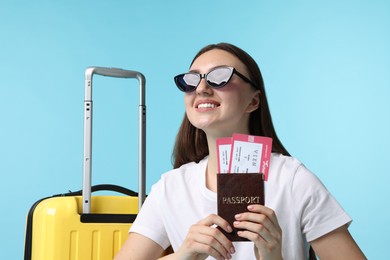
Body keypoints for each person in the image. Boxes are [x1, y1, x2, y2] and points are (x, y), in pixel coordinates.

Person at [115, 43, 366, 259]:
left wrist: (273, 258)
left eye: (219, 76)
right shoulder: (170, 188)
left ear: (253, 101)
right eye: (192, 80)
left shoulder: (292, 180)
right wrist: (183, 255)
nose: (201, 88)